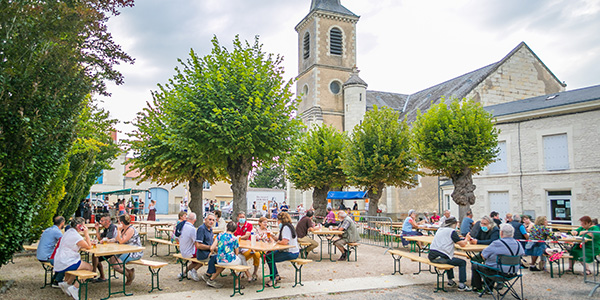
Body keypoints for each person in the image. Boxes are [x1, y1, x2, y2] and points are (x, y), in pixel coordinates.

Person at [471, 224, 524, 293]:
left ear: (501, 233)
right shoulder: (518, 243)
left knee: (477, 265)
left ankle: (478, 288)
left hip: (497, 272)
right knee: (492, 263)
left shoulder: (497, 243)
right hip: (512, 273)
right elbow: (522, 254)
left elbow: (483, 255)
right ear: (512, 233)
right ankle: (488, 289)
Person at [428, 217, 472, 291]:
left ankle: (450, 281)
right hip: (441, 258)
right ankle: (462, 285)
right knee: (462, 262)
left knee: (449, 258)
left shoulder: (440, 229)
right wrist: (467, 239)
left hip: (432, 256)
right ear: (454, 224)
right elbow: (462, 244)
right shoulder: (451, 231)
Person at [55, 217, 93, 300]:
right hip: (67, 261)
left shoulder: (68, 232)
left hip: (60, 260)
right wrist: (86, 234)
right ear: (79, 226)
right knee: (89, 267)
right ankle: (75, 288)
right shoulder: (76, 236)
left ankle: (67, 283)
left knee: (79, 267)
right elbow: (89, 246)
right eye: (83, 225)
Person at [205, 222, 252, 288]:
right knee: (241, 259)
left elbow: (212, 247)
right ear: (235, 230)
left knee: (224, 264)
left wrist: (213, 251)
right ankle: (237, 284)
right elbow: (237, 252)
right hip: (230, 260)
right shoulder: (234, 238)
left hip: (220, 260)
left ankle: (211, 279)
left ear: (226, 228)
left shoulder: (219, 235)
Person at [266, 212, 300, 286]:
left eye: (278, 220)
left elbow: (284, 241)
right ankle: (276, 275)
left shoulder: (286, 228)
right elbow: (279, 239)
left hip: (291, 252)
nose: (277, 222)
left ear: (281, 220)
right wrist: (271, 235)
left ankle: (273, 279)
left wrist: (278, 242)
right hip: (292, 251)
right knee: (269, 255)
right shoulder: (288, 226)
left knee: (269, 257)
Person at [108, 214, 143, 285]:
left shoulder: (130, 229)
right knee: (111, 260)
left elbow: (121, 241)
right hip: (124, 250)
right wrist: (107, 240)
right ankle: (129, 272)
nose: (118, 223)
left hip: (134, 252)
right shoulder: (123, 229)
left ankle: (129, 276)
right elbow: (117, 239)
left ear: (122, 223)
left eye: (119, 222)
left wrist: (118, 230)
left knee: (116, 265)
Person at [37, 216, 65, 286]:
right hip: (47, 256)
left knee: (61, 260)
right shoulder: (57, 231)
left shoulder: (48, 229)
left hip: (40, 255)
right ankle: (57, 281)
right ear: (62, 223)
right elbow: (65, 241)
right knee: (65, 263)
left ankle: (55, 279)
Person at [233, 211, 260, 280]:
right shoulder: (235, 225)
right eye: (240, 217)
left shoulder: (249, 225)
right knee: (240, 256)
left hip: (248, 246)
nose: (242, 218)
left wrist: (238, 237)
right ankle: (243, 272)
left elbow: (247, 236)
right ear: (237, 218)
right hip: (238, 247)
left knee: (257, 255)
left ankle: (254, 272)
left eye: (243, 217)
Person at [91, 214, 118, 282]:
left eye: (102, 221)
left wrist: (102, 241)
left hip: (114, 249)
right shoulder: (106, 229)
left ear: (107, 221)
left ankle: (93, 273)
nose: (100, 222)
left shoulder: (112, 227)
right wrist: (97, 229)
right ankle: (101, 276)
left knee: (96, 255)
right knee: (95, 255)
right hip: (107, 248)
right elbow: (100, 238)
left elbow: (107, 238)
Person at [177, 213, 202, 280]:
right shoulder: (192, 229)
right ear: (195, 220)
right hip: (189, 252)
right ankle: (194, 270)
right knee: (204, 256)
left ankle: (184, 272)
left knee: (197, 258)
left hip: (182, 250)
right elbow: (196, 243)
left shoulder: (182, 226)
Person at [196, 213, 219, 286]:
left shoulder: (211, 229)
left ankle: (208, 275)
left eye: (213, 220)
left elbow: (211, 241)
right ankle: (209, 277)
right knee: (220, 259)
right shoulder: (201, 229)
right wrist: (211, 247)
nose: (211, 222)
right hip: (203, 254)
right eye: (210, 219)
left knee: (222, 257)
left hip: (210, 252)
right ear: (205, 220)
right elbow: (198, 245)